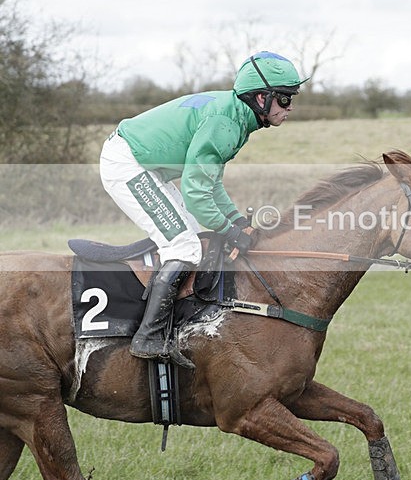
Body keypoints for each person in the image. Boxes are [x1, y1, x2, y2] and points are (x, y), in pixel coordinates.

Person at [99, 51, 307, 369]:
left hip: (143, 164)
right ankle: (149, 337)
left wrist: (236, 221)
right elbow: (197, 198)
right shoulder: (225, 123)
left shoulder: (235, 116)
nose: (289, 107)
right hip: (128, 164)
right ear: (261, 97)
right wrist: (232, 231)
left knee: (197, 238)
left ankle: (182, 325)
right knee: (183, 245)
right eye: (284, 99)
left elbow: (209, 185)